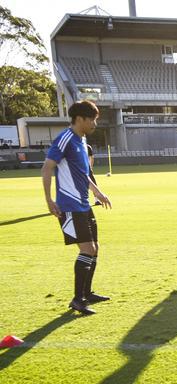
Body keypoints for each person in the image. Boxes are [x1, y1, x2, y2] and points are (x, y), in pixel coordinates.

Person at [40, 100, 113, 315]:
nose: (95, 123)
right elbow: (46, 168)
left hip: (83, 204)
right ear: (80, 118)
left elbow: (82, 174)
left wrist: (97, 191)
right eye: (92, 119)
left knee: (95, 248)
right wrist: (49, 200)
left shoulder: (82, 141)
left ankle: (87, 293)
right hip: (69, 205)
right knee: (87, 250)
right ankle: (77, 300)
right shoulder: (65, 139)